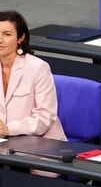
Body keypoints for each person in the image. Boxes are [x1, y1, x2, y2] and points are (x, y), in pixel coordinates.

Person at [0, 11, 66, 141]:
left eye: (7, 34)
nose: (0, 40)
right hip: (5, 142)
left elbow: (45, 117)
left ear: (21, 38)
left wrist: (9, 129)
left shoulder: (38, 68)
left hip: (41, 142)